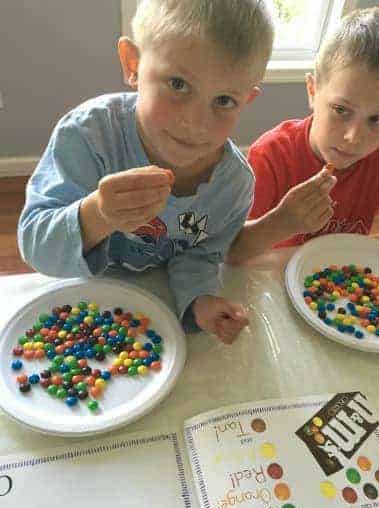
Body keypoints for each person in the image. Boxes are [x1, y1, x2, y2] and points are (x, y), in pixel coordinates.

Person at [18, 0, 275, 343]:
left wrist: (200, 300)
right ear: (133, 63)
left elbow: (201, 254)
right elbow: (36, 247)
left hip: (154, 312)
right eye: (178, 84)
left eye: (224, 100)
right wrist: (98, 214)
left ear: (248, 99)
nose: (196, 124)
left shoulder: (233, 185)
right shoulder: (88, 136)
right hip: (79, 300)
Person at [228, 7, 379, 302]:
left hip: (342, 298)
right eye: (341, 111)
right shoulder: (271, 157)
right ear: (312, 91)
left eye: (377, 120)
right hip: (278, 293)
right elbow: (231, 252)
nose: (353, 137)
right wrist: (283, 221)